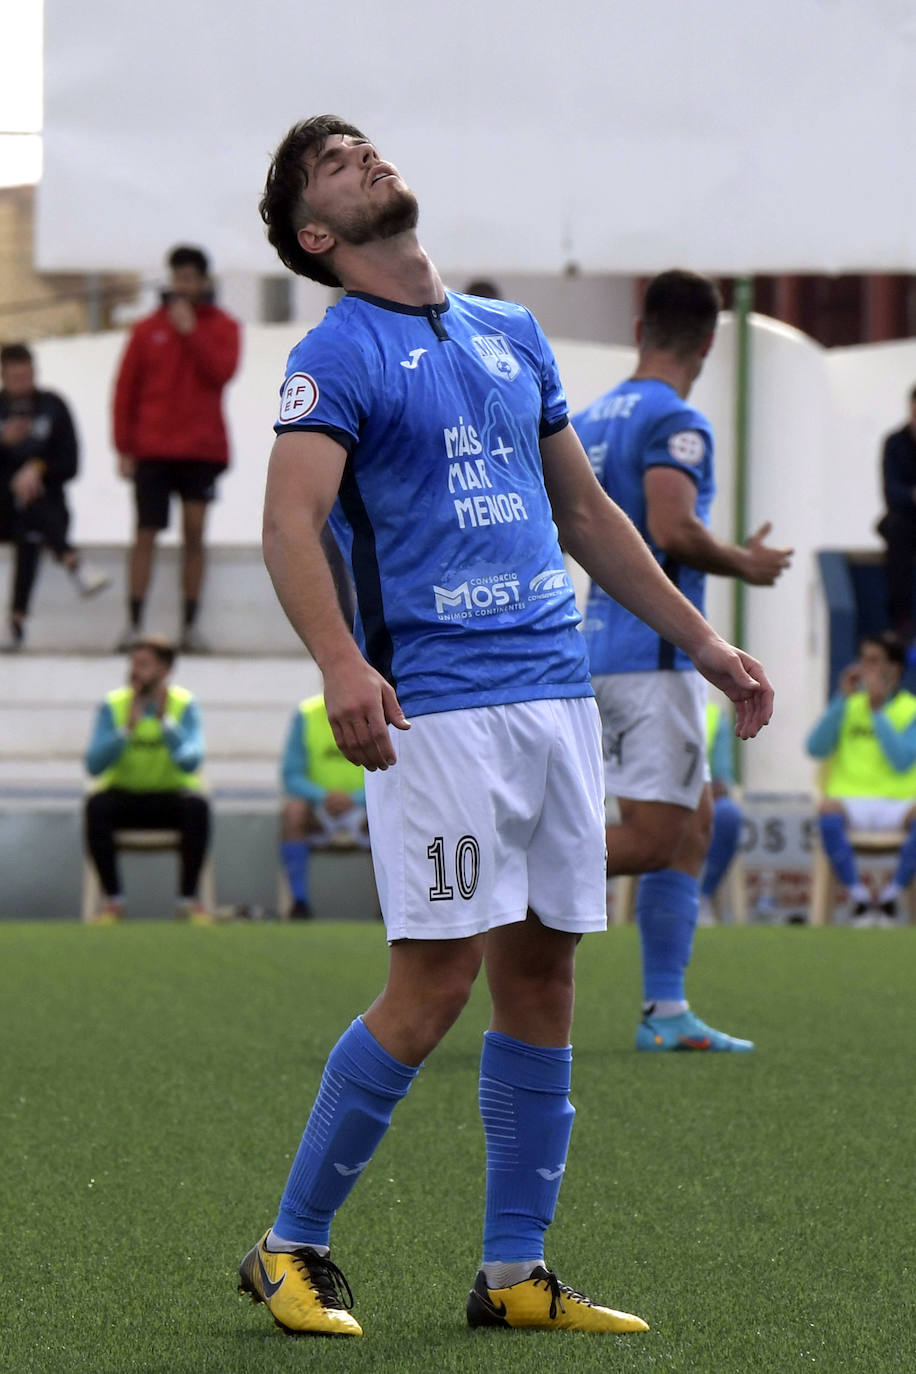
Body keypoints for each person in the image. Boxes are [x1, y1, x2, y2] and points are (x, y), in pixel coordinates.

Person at [239, 115, 773, 1340]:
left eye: (366, 146)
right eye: (336, 166)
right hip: (439, 709)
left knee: (545, 975)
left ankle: (513, 1274)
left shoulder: (507, 333)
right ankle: (288, 1247)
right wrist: (340, 664)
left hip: (555, 697)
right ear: (317, 235)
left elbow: (586, 515)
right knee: (432, 988)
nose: (368, 159)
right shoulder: (338, 351)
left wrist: (705, 642)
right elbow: (290, 523)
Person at [572, 270, 792, 1053]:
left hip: (595, 644)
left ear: (640, 329)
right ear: (707, 341)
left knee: (698, 820)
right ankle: (503, 875)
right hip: (654, 655)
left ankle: (666, 1012)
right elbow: (670, 528)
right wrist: (745, 563)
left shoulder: (590, 417)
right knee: (660, 838)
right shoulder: (675, 418)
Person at [112, 245, 241, 653]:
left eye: (190, 278)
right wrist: (124, 446)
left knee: (194, 533)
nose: (183, 285)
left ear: (204, 281)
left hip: (200, 450)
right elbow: (125, 390)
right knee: (145, 532)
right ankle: (133, 626)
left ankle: (190, 626)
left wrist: (191, 333)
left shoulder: (222, 326)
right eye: (178, 277)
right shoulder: (146, 329)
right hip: (152, 448)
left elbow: (222, 372)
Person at [83, 633, 211, 924]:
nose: (135, 670)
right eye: (134, 662)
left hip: (169, 800)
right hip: (125, 799)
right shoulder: (113, 705)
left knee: (198, 807)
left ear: (165, 670)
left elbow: (192, 762)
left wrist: (167, 724)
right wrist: (125, 731)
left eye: (144, 664)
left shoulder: (184, 705)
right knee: (96, 806)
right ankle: (113, 902)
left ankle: (187, 902)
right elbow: (93, 765)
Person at [0, 343, 110, 651]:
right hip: (4, 508)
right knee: (25, 503)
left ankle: (17, 623)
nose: (23, 385)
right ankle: (72, 561)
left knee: (31, 525)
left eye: (28, 376)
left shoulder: (53, 406)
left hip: (45, 507)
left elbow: (71, 463)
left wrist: (38, 467)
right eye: (15, 378)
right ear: (3, 376)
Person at [806, 631, 916, 925]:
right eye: (863, 660)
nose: (865, 668)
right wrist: (841, 698)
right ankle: (860, 899)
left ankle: (892, 896)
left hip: (897, 803)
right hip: (850, 802)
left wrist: (878, 712)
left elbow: (902, 760)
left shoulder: (911, 709)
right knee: (826, 811)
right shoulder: (848, 705)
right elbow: (815, 747)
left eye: (874, 661)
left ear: (895, 668)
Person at [280, 692, 369, 919]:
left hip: (365, 808)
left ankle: (390, 909)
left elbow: (392, 770)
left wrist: (356, 799)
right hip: (320, 810)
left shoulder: (377, 710)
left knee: (392, 816)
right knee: (293, 811)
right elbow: (291, 775)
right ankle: (299, 904)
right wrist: (323, 796)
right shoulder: (306, 714)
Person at [698, 699, 745, 923]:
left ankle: (701, 895)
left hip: (701, 798)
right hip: (659, 799)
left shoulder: (714, 716)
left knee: (728, 815)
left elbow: (721, 780)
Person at [876, 385, 916, 641]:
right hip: (906, 520)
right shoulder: (895, 443)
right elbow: (892, 492)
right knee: (898, 529)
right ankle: (901, 617)